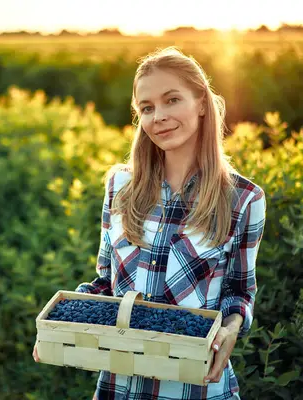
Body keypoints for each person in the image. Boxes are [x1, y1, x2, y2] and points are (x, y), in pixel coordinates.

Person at [33, 46, 266, 400]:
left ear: (202, 102)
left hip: (193, 387)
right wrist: (60, 322)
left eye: (172, 100)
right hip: (119, 384)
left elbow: (239, 291)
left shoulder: (243, 198)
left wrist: (232, 327)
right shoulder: (121, 187)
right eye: (147, 108)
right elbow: (105, 284)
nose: (159, 116)